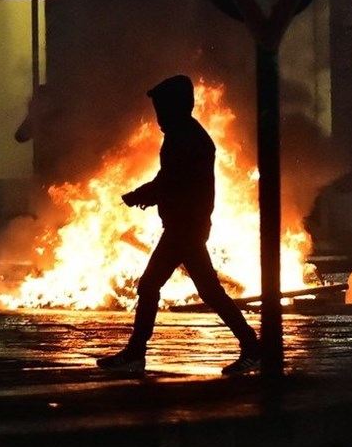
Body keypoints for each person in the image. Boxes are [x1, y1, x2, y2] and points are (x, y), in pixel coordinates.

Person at [96, 75, 261, 376]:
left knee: (153, 286)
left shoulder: (184, 137)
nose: (158, 116)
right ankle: (251, 347)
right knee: (207, 292)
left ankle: (136, 354)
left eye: (161, 108)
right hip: (185, 226)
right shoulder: (185, 134)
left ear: (175, 107)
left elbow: (172, 181)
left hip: (184, 228)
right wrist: (146, 196)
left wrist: (140, 196)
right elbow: (171, 181)